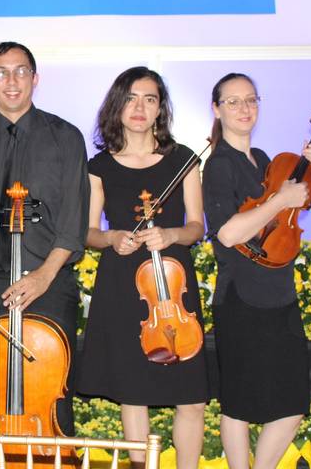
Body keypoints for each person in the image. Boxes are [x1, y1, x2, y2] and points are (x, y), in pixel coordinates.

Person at [0, 41, 89, 436]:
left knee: (53, 393)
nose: (12, 81)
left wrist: (44, 276)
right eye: (2, 73)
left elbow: (74, 219)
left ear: (35, 78)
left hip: (50, 281)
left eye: (21, 71)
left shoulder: (65, 137)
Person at [76, 67, 209, 469]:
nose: (139, 107)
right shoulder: (100, 165)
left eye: (149, 99)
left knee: (192, 396)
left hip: (172, 284)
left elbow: (196, 227)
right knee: (132, 393)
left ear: (160, 110)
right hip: (124, 285)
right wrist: (112, 238)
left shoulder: (183, 158)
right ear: (117, 105)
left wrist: (170, 235)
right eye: (131, 98)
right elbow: (87, 232)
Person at [201, 72, 311, 469]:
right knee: (238, 402)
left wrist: (307, 174)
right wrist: (281, 198)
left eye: (250, 99)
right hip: (241, 295)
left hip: (279, 290)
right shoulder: (218, 165)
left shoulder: (266, 160)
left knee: (292, 401)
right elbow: (229, 232)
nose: (244, 108)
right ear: (216, 109)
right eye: (232, 101)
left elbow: (288, 211)